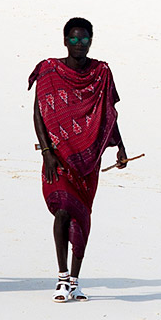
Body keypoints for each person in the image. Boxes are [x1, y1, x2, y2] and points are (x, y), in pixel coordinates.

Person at [30, 17, 128, 303]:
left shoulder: (101, 72)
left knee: (81, 217)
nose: (79, 44)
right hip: (58, 156)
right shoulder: (49, 70)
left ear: (91, 41)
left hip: (88, 158)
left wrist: (120, 147)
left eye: (84, 39)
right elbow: (39, 114)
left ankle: (74, 281)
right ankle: (61, 278)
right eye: (73, 39)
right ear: (64, 41)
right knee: (62, 209)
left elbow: (108, 112)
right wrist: (47, 153)